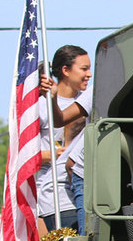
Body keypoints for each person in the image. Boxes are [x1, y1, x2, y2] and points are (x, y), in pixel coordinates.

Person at [36, 45, 92, 231]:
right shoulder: (40, 105)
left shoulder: (87, 101)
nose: (89, 75)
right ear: (65, 70)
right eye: (84, 69)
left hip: (76, 183)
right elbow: (23, 155)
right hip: (47, 190)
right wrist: (53, 154)